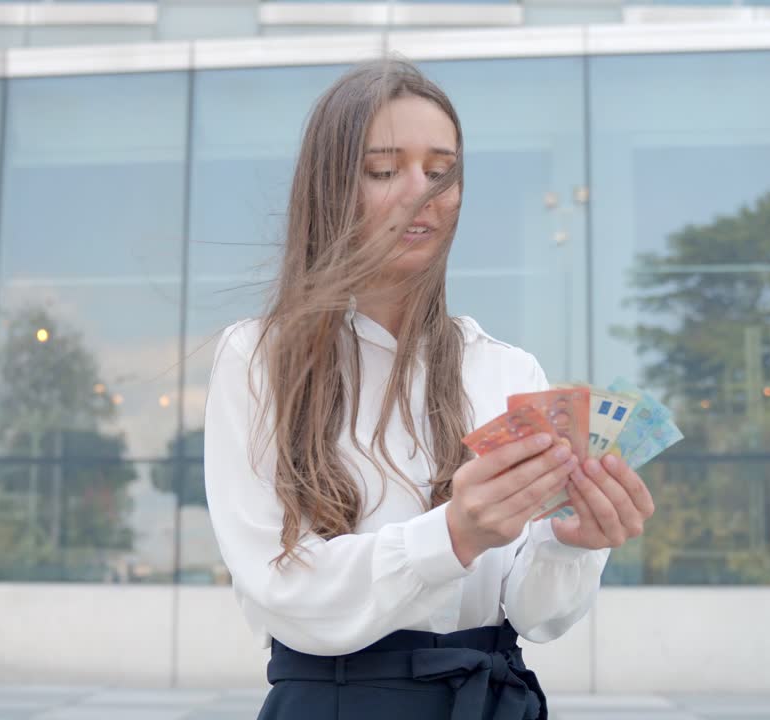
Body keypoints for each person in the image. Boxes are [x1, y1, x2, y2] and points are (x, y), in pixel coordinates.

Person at [203, 58, 655, 720]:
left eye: (441, 171)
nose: (422, 192)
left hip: (493, 700)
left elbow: (536, 615)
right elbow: (285, 590)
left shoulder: (504, 369)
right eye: (385, 170)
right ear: (331, 186)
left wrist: (573, 541)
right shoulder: (258, 358)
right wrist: (455, 534)